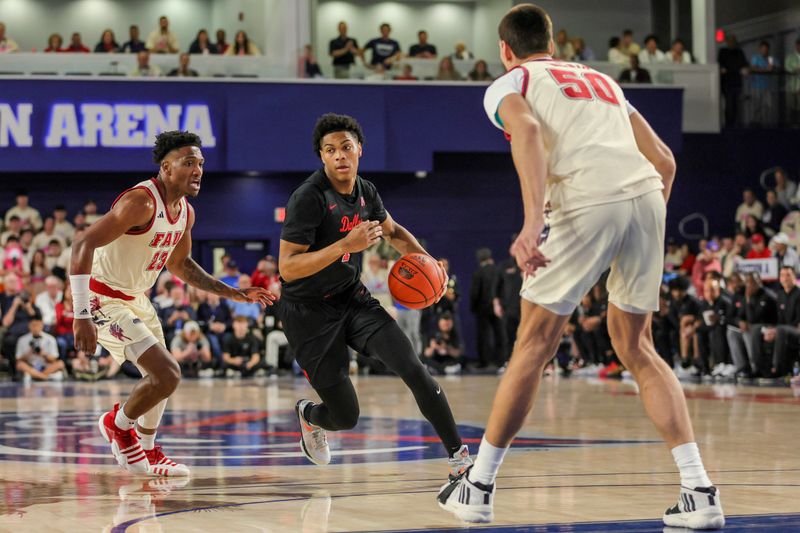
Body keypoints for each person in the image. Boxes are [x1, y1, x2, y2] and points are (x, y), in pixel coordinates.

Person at [438, 5, 724, 529]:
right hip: (647, 199)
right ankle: (698, 490)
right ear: (553, 41)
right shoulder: (603, 81)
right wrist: (642, 218)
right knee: (636, 345)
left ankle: (477, 487)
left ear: (504, 49)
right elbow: (665, 160)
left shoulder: (511, 81)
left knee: (533, 345)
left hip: (585, 200)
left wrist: (530, 224)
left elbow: (524, 132)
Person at [276, 113, 472, 477]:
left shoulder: (366, 192)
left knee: (413, 368)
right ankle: (309, 414)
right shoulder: (309, 197)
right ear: (321, 156)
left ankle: (460, 460)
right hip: (308, 313)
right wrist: (343, 246)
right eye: (330, 150)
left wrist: (429, 265)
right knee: (345, 416)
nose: (339, 156)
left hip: (352, 299)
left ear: (359, 150)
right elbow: (287, 268)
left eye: (346, 148)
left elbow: (394, 232)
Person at [70, 131, 273, 477]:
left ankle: (148, 451)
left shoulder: (185, 214)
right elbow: (81, 244)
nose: (198, 170)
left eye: (201, 164)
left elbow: (181, 266)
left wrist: (234, 293)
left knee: (161, 378)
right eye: (188, 163)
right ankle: (117, 425)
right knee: (168, 373)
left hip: (136, 298)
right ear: (166, 167)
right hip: (101, 295)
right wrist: (80, 314)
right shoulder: (141, 202)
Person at [15, 313, 64, 383]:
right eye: (33, 325)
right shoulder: (22, 339)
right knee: (20, 365)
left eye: (37, 325)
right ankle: (43, 377)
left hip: (46, 367)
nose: (35, 328)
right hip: (31, 367)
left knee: (60, 363)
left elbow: (54, 359)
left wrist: (43, 353)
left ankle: (37, 376)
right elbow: (18, 359)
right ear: (29, 325)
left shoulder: (50, 339)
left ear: (42, 325)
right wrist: (29, 353)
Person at [717, 34, 748, 128]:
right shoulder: (723, 51)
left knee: (736, 104)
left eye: (733, 41)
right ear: (726, 42)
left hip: (737, 82)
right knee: (729, 104)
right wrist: (722, 69)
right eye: (729, 41)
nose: (731, 43)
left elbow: (744, 64)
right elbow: (719, 65)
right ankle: (728, 125)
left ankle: (735, 124)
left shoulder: (739, 52)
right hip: (727, 82)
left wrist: (744, 70)